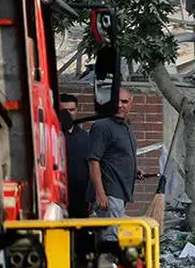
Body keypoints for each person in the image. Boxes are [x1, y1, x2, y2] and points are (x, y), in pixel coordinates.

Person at [88, 88, 138, 220]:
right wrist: (100, 193)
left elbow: (116, 157)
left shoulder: (126, 127)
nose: (120, 105)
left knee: (115, 231)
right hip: (109, 194)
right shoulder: (102, 126)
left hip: (121, 193)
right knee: (111, 233)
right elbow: (93, 161)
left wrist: (134, 171)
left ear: (131, 104)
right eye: (116, 101)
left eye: (124, 101)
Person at [59, 94, 91, 218]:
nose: (68, 114)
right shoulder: (51, 135)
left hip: (80, 198)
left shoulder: (85, 137)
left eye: (71, 110)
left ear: (76, 111)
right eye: (64, 111)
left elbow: (91, 167)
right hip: (57, 199)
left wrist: (90, 196)